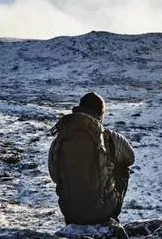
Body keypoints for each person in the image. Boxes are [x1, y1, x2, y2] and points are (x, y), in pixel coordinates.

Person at [48, 92, 135, 225]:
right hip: (101, 211)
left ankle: (74, 221)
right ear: (100, 113)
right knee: (123, 170)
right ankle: (111, 220)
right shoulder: (109, 136)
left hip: (70, 211)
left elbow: (54, 175)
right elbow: (130, 158)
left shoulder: (61, 137)